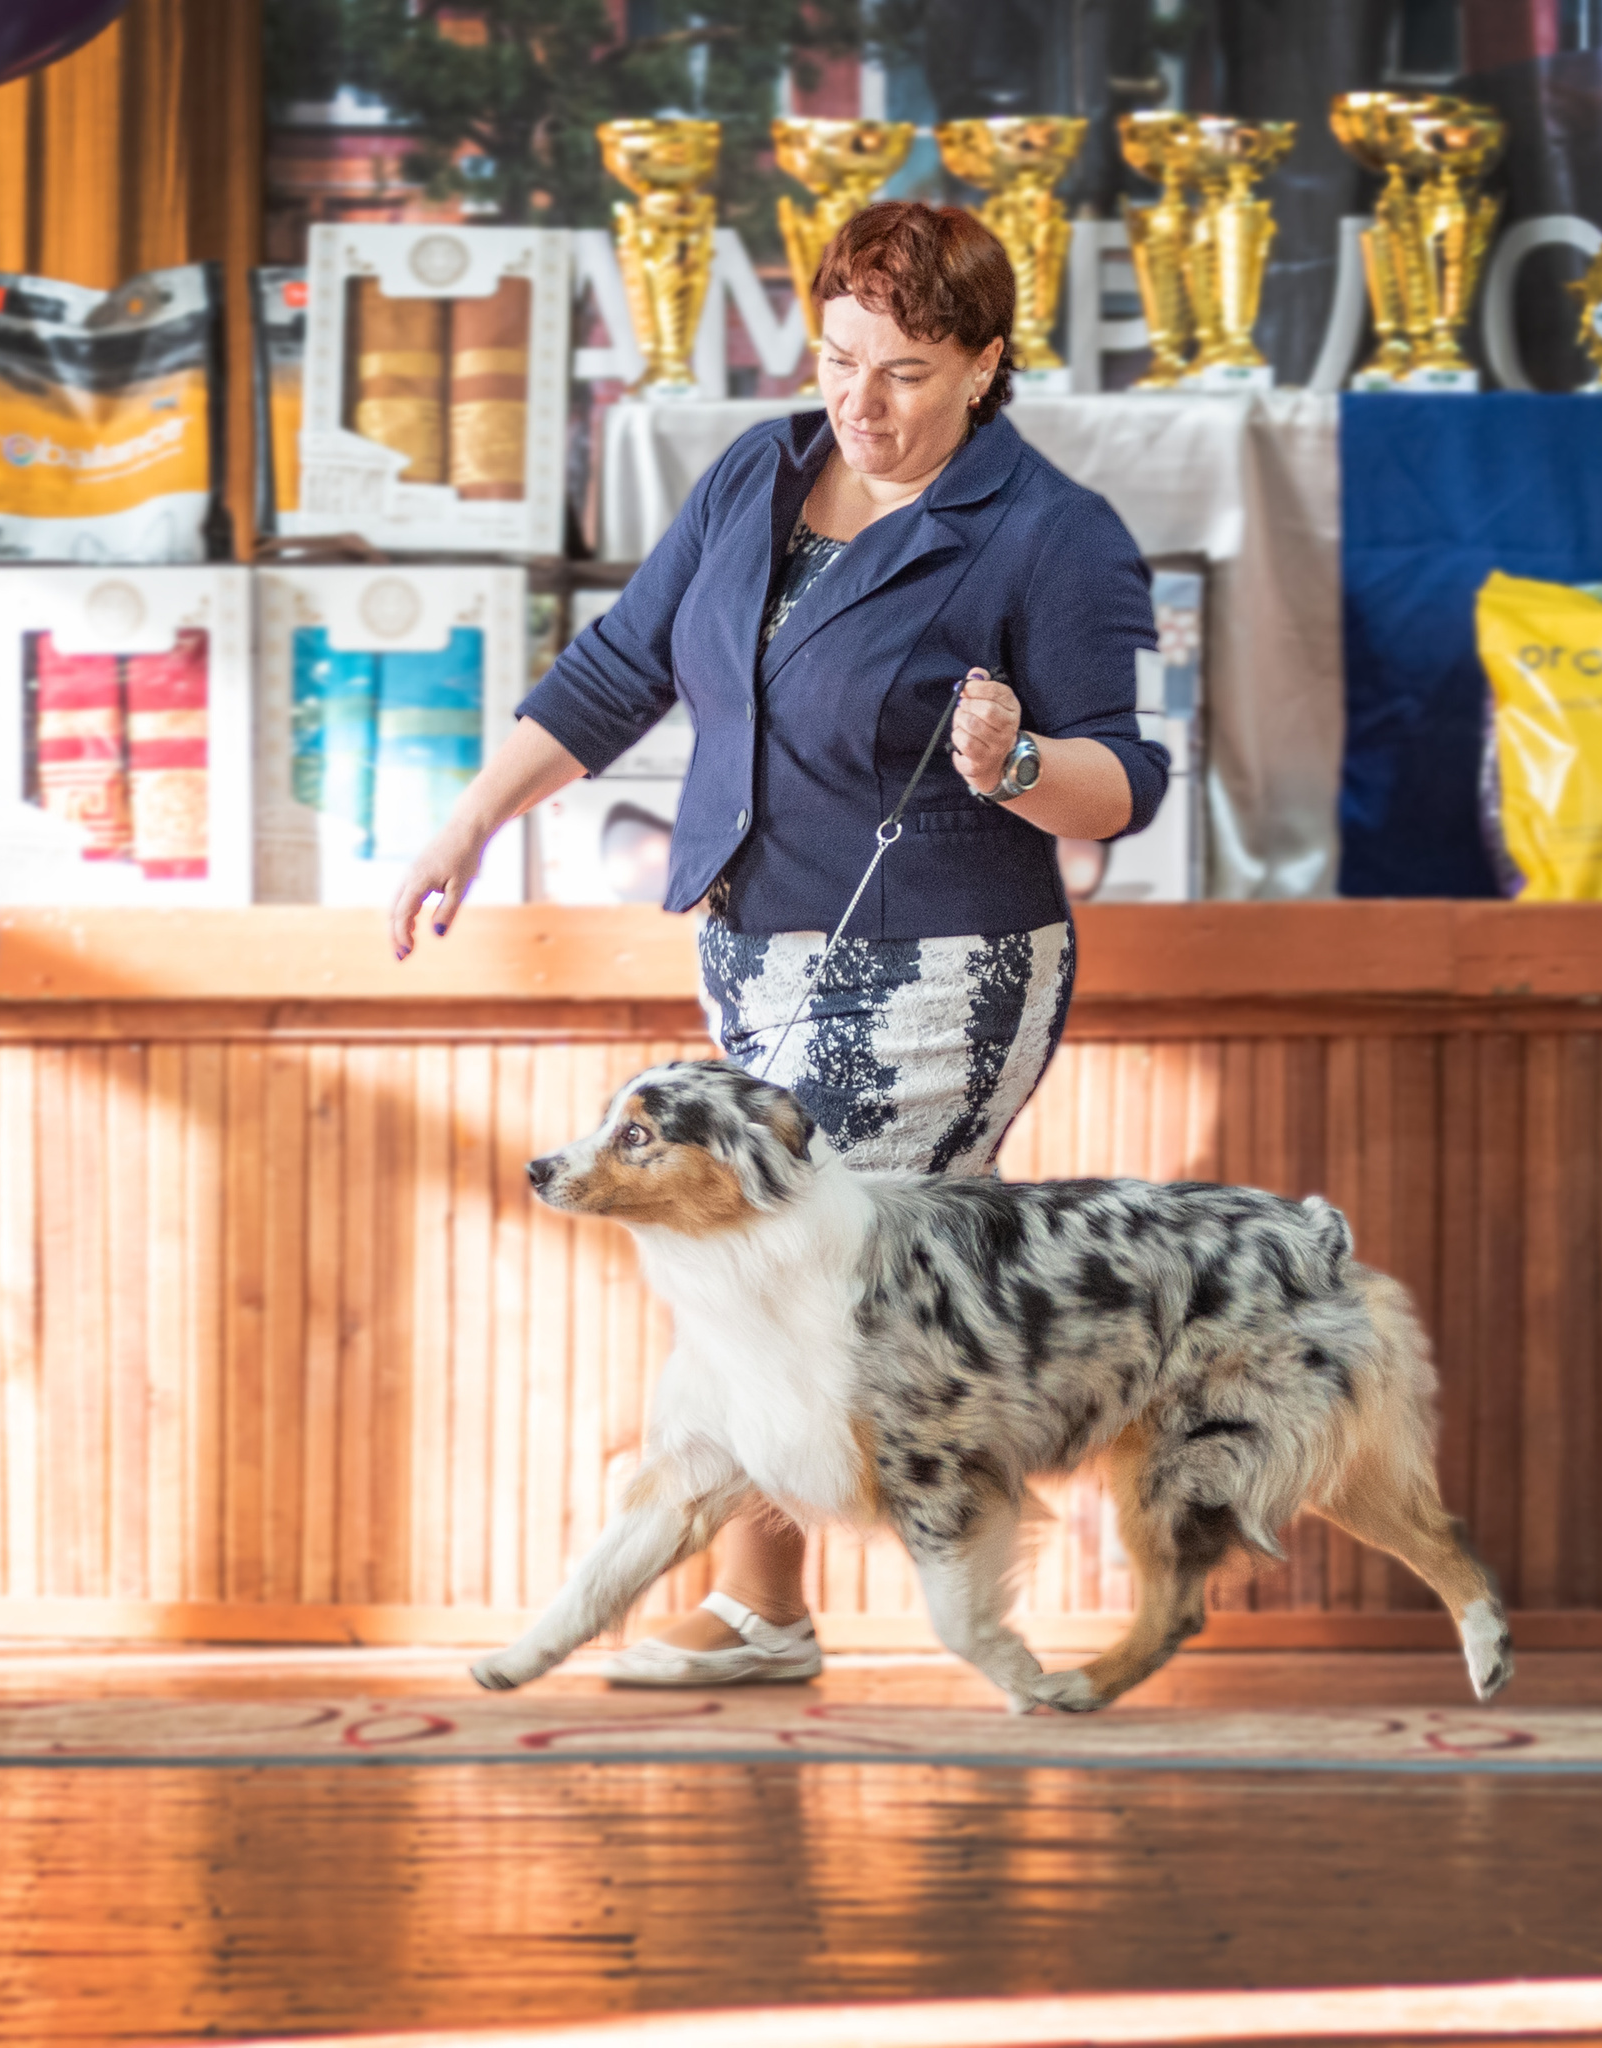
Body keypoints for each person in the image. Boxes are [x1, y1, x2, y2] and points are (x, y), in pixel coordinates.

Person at [386, 200, 1167, 1685]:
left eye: (910, 374)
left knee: (790, 1259)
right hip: (758, 947)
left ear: (989, 365)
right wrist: (471, 821)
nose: (861, 407)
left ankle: (756, 1598)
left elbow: (1127, 780)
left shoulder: (1052, 536)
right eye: (839, 361)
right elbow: (619, 669)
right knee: (780, 1266)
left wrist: (1016, 767)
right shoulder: (758, 471)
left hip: (949, 964)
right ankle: (787, 1596)